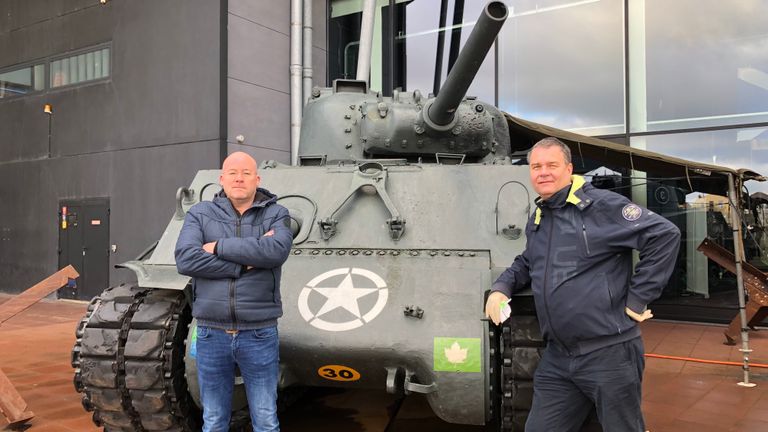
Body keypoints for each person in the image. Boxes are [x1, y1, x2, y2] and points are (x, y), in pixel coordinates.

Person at [485, 137, 680, 432]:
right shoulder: (540, 215)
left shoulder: (601, 207)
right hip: (558, 358)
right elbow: (527, 261)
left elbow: (664, 235)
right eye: (536, 166)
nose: (543, 172)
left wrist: (639, 297)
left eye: (552, 165)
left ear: (569, 168)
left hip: (608, 353)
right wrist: (501, 287)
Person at [175, 151, 293, 432]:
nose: (239, 178)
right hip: (210, 331)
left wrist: (216, 247)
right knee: (214, 419)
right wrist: (245, 263)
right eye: (232, 173)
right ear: (222, 178)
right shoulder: (201, 213)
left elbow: (276, 251)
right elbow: (186, 259)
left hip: (259, 331)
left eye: (246, 173)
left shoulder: (276, 213)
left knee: (265, 418)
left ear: (257, 178)